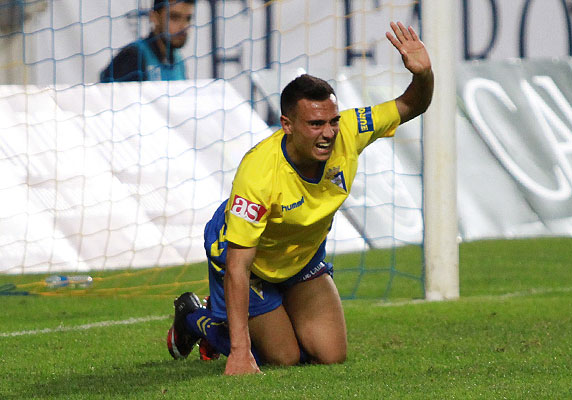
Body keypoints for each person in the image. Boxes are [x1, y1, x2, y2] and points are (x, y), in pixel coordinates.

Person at [166, 21, 434, 375]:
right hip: (252, 261)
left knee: (330, 354)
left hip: (301, 258)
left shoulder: (350, 131)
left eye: (332, 121)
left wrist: (424, 74)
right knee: (285, 357)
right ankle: (194, 319)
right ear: (287, 125)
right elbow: (237, 266)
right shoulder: (260, 172)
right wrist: (240, 351)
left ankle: (273, 321)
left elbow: (410, 104)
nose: (328, 133)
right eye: (315, 124)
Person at [100, 0, 195, 82]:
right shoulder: (133, 57)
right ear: (154, 17)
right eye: (174, 17)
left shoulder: (178, 60)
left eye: (188, 18)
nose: (184, 27)